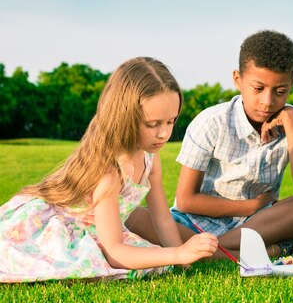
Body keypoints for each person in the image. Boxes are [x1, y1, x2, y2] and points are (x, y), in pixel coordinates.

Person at [0, 57, 218, 283]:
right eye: (153, 124)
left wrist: (181, 258)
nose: (163, 134)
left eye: (171, 121)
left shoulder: (150, 157)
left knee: (153, 261)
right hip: (55, 227)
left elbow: (162, 218)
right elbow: (114, 251)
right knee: (95, 265)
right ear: (124, 116)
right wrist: (176, 253)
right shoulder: (109, 168)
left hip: (101, 231)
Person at [129, 30, 293, 259]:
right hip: (194, 224)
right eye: (258, 88)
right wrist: (250, 206)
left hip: (258, 225)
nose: (268, 101)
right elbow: (186, 201)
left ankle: (212, 251)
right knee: (134, 216)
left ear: (291, 86)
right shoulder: (212, 122)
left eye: (280, 91)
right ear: (237, 79)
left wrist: (292, 122)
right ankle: (243, 251)